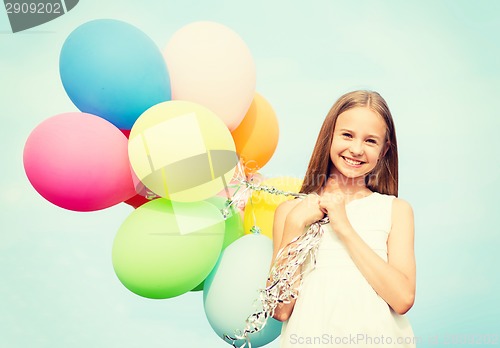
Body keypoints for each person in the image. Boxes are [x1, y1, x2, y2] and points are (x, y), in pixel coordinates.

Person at [270, 90, 416, 347]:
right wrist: (294, 225)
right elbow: (280, 310)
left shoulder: (395, 210)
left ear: (384, 150)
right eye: (347, 135)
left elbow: (403, 298)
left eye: (370, 141)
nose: (357, 149)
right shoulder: (290, 212)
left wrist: (345, 228)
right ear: (329, 137)